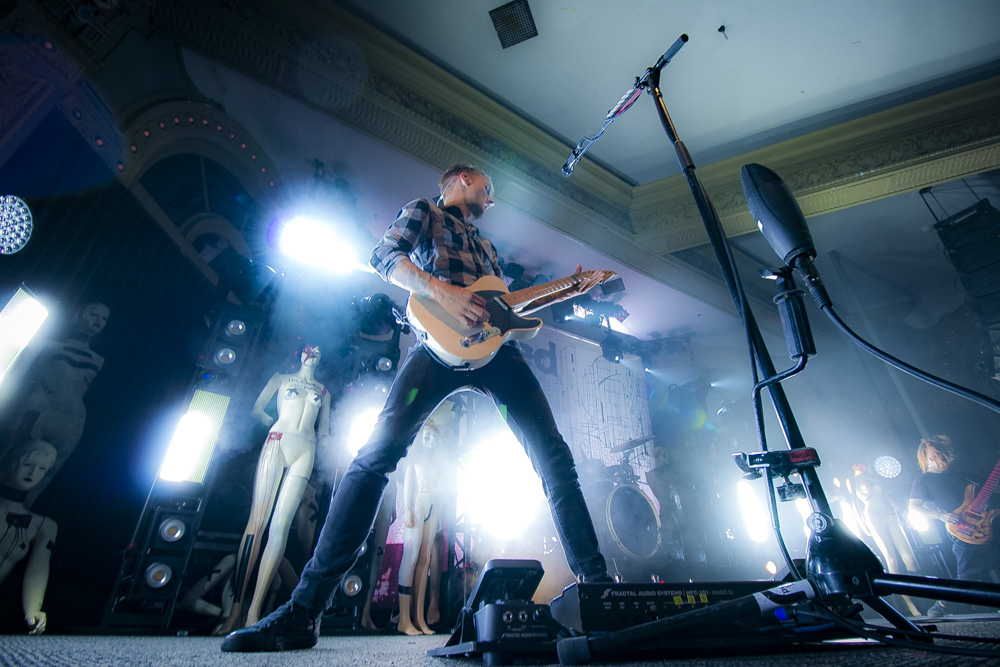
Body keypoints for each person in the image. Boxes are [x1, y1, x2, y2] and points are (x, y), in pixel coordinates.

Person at [221, 164, 611, 652]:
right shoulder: (425, 211)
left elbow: (507, 311)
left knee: (554, 457)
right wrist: (445, 291)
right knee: (372, 461)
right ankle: (304, 610)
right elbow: (383, 257)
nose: (491, 199)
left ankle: (599, 591)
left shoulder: (488, 248)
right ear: (462, 178)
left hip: (496, 354)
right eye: (488, 188)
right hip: (435, 347)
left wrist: (565, 290)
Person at [216, 344, 331, 634]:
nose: (313, 353)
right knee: (258, 523)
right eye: (309, 349)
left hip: (306, 449)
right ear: (300, 353)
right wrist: (270, 421)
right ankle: (236, 610)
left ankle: (254, 612)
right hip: (278, 440)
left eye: (318, 351)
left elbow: (324, 431)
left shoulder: (323, 391)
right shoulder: (281, 379)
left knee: (280, 528)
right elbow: (257, 409)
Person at [2, 302, 109, 507]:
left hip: (72, 419)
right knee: (10, 456)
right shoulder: (47, 345)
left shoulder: (98, 359)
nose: (99, 321)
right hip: (38, 408)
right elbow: (21, 375)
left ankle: (25, 507)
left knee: (46, 472)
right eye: (94, 314)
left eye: (104, 319)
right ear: (80, 313)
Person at [909, 434, 1000, 617]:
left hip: (987, 525)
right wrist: (941, 515)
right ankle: (942, 605)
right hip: (963, 531)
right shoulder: (923, 481)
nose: (938, 460)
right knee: (968, 575)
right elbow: (914, 508)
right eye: (933, 457)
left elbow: (993, 492)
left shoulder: (963, 476)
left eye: (941, 455)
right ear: (925, 460)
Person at [0, 440, 58, 635]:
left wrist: (33, 610)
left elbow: (37, 569)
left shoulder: (42, 525)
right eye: (28, 464)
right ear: (11, 464)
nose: (33, 473)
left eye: (42, 469)